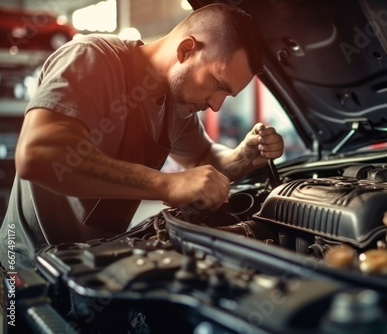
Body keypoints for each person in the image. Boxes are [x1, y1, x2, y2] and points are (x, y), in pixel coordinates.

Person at [0, 3, 284, 270]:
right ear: (186, 49)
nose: (217, 104)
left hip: (90, 268)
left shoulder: (177, 104)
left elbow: (202, 159)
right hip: (28, 270)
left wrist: (243, 157)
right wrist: (166, 184)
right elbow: (39, 155)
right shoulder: (92, 58)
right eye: (217, 84)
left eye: (227, 93)